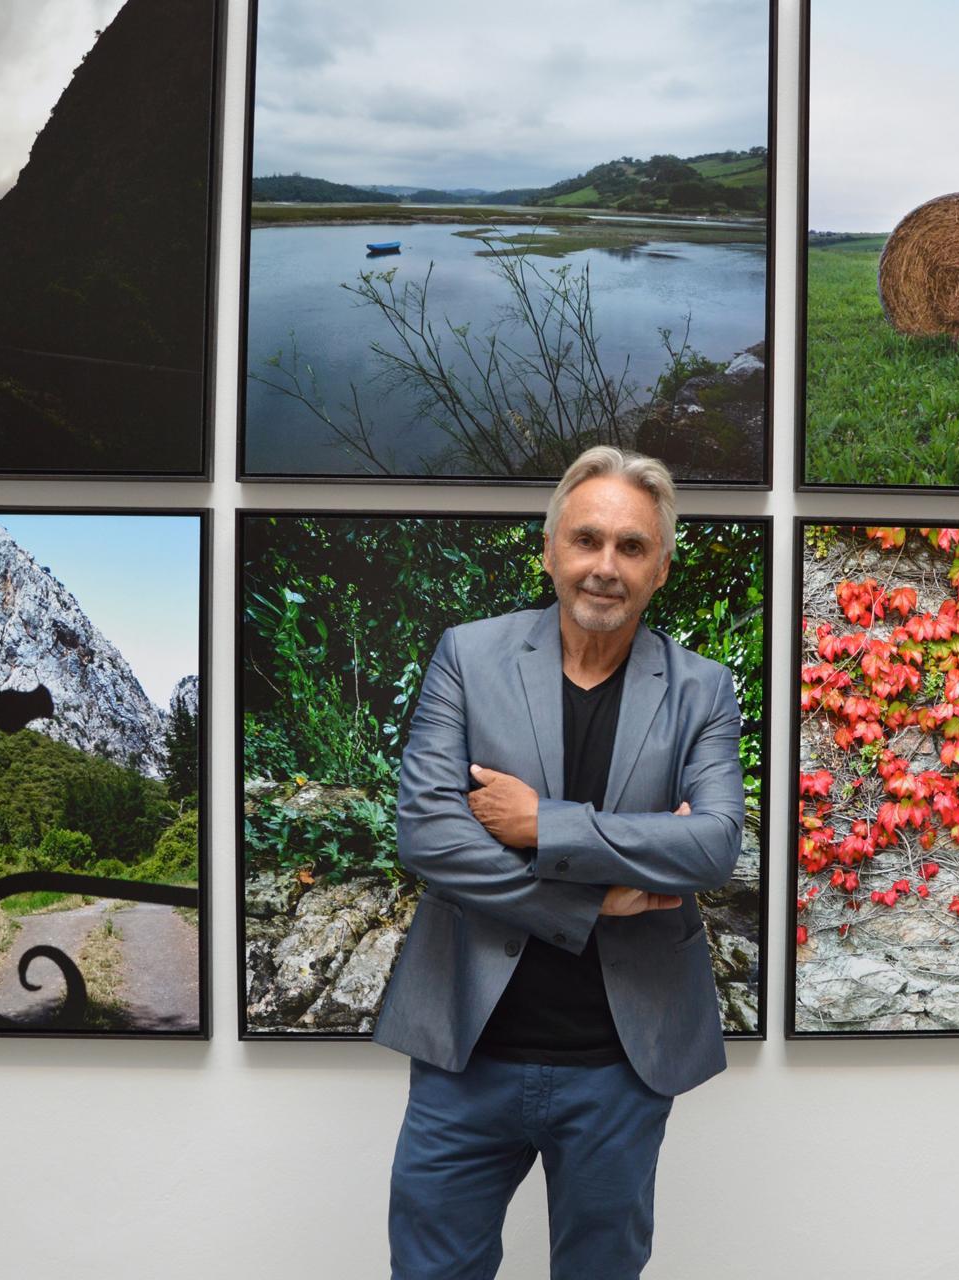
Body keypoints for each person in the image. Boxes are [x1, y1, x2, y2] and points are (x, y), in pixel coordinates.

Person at [374, 445, 745, 1280]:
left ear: (660, 568)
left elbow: (715, 844)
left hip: (622, 1067)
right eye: (587, 541)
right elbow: (429, 837)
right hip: (466, 1055)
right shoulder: (469, 657)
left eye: (631, 547)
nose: (604, 567)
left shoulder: (701, 691)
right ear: (550, 550)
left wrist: (542, 823)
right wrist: (588, 902)